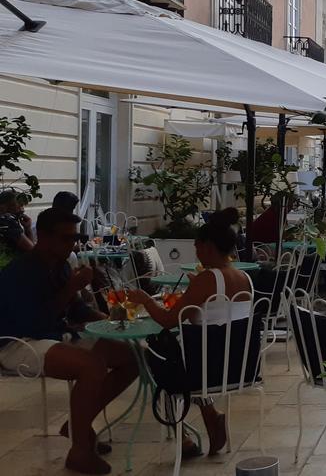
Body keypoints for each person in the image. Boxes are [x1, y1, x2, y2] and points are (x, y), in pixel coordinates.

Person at [0, 209, 137, 474]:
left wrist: (110, 318)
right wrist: (71, 288)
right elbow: (34, 323)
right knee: (91, 366)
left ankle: (76, 425)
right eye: (65, 238)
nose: (71, 244)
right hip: (17, 342)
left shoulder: (60, 265)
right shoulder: (22, 272)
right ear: (44, 237)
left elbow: (75, 311)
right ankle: (80, 450)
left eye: (74, 238)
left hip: (52, 335)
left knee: (130, 356)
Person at [127, 208, 250, 457]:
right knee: (187, 358)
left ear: (207, 247)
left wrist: (145, 300)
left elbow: (167, 320)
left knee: (160, 360)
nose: (196, 251)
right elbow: (207, 316)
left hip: (209, 369)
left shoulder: (208, 280)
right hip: (238, 365)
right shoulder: (244, 277)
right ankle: (211, 418)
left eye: (197, 246)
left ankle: (184, 439)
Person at [0, 189, 35, 270]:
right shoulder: (7, 221)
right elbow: (32, 251)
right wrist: (28, 229)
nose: (22, 209)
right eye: (19, 205)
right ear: (4, 207)